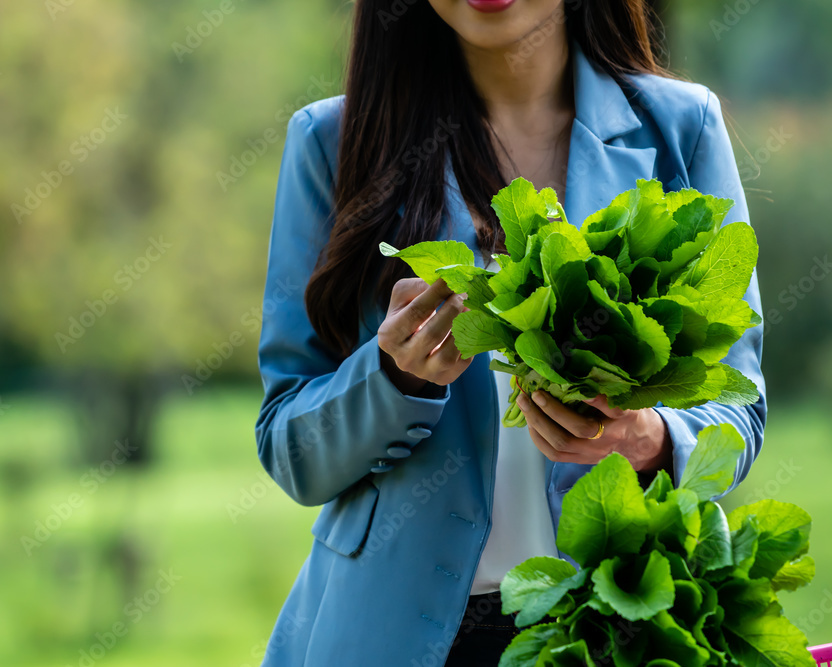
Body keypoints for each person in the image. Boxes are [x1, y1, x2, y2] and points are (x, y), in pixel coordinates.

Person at [253, 0, 765, 664]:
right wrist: (393, 379)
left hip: (610, 634)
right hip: (385, 638)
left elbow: (739, 412)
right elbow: (290, 447)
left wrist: (648, 439)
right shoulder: (332, 140)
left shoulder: (680, 128)